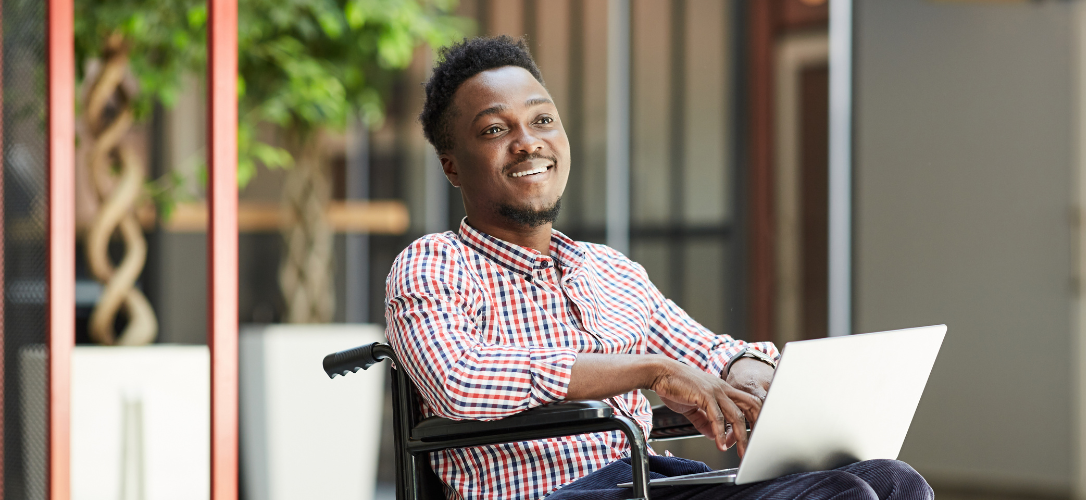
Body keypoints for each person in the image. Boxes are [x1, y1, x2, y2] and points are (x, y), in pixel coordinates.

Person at [385, 35, 933, 500]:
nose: (529, 142)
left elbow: (706, 352)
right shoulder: (433, 264)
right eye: (494, 130)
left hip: (651, 477)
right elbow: (460, 381)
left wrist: (745, 370)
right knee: (842, 496)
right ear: (451, 165)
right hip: (549, 493)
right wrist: (647, 369)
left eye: (542, 120)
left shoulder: (609, 271)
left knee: (892, 481)